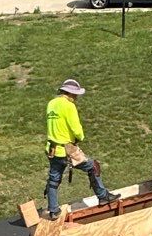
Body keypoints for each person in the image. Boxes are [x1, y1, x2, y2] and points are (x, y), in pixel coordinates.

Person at [44, 77, 116, 220]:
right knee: (92, 167)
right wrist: (80, 137)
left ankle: (53, 210)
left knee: (54, 179)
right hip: (67, 149)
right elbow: (76, 129)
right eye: (75, 94)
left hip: (52, 149)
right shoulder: (69, 106)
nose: (76, 97)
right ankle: (103, 196)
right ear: (71, 94)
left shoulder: (51, 104)